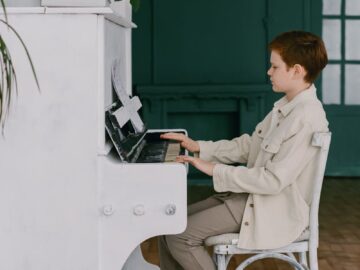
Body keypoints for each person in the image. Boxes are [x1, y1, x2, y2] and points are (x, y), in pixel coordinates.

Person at [158, 30, 329, 270]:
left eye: (275, 67)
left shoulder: (306, 117)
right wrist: (199, 147)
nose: (269, 72)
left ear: (297, 70)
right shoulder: (287, 107)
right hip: (251, 198)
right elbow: (249, 146)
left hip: (271, 208)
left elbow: (273, 181)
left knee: (180, 236)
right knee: (167, 223)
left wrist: (215, 169)